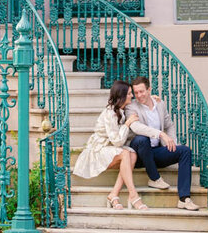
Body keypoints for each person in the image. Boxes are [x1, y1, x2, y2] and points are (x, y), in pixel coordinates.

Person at [71, 79, 148, 210]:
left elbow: (139, 103)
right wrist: (127, 124)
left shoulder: (121, 110)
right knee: (125, 154)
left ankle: (113, 194)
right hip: (98, 150)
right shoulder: (110, 113)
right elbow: (117, 141)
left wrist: (152, 99)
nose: (132, 96)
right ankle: (133, 195)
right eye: (129, 93)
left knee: (133, 155)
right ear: (122, 96)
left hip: (109, 147)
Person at [126, 76, 199, 211]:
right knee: (142, 139)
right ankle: (154, 178)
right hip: (139, 155)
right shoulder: (131, 107)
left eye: (141, 91)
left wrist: (172, 143)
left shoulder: (160, 104)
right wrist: (160, 134)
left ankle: (184, 199)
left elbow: (169, 124)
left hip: (155, 152)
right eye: (136, 93)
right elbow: (136, 127)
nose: (139, 95)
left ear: (149, 90)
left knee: (185, 151)